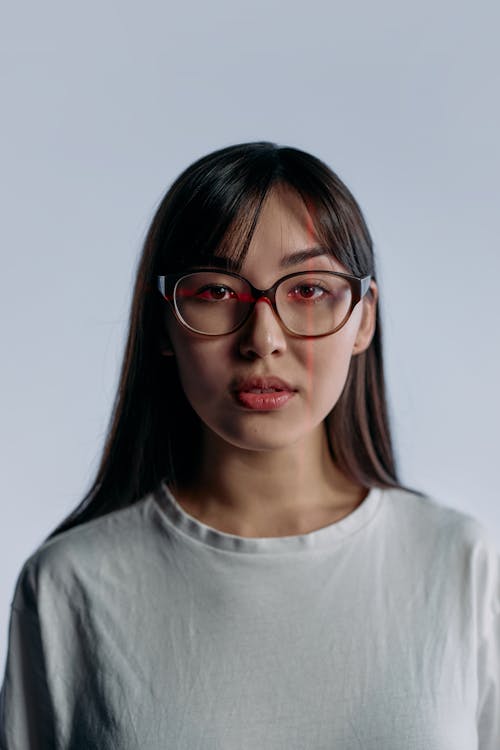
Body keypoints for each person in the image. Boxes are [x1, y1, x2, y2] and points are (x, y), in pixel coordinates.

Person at [1, 141, 498, 749]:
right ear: (163, 320)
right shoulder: (68, 587)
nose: (262, 339)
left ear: (364, 318)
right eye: (215, 292)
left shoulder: (459, 565)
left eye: (309, 290)